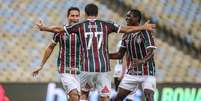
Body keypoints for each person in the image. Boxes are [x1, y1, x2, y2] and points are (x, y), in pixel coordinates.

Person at [35, 3, 156, 101]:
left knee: (83, 94)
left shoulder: (80, 26)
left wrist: (44, 28)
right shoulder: (106, 24)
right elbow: (125, 29)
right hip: (103, 68)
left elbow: (59, 29)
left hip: (86, 68)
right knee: (105, 96)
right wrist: (143, 27)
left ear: (85, 14)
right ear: (97, 13)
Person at [32, 7, 81, 101]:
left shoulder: (83, 32)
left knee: (76, 98)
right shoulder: (60, 31)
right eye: (72, 16)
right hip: (65, 69)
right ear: (68, 17)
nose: (75, 18)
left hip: (81, 70)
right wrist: (41, 65)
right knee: (74, 96)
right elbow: (50, 47)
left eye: (77, 16)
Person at [109, 9, 157, 101]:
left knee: (149, 95)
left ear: (137, 18)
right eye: (126, 16)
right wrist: (104, 55)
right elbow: (119, 55)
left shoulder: (145, 32)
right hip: (132, 73)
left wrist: (142, 61)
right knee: (117, 98)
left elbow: (151, 52)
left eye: (129, 16)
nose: (126, 18)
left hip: (147, 72)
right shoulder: (126, 35)